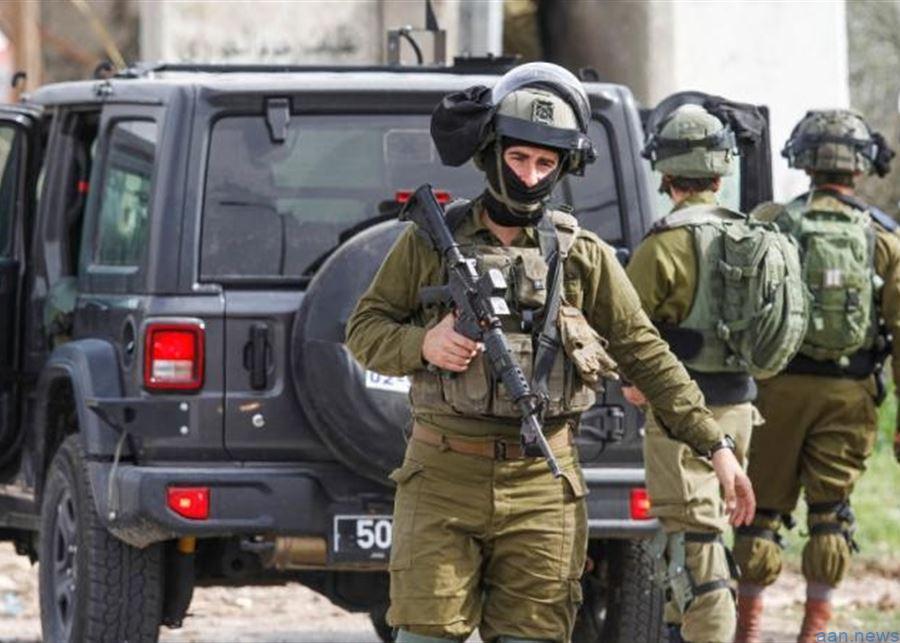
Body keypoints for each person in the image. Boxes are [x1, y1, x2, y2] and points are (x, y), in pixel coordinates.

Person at [345, 62, 755, 643]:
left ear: (564, 166)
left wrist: (715, 445)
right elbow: (364, 328)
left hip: (543, 481)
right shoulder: (431, 241)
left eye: (545, 162)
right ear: (491, 153)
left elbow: (646, 353)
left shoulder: (582, 255)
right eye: (518, 158)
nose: (530, 176)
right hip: (441, 476)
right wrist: (423, 344)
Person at [624, 103, 805, 643]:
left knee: (697, 551)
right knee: (692, 544)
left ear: (665, 175)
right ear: (721, 175)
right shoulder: (752, 238)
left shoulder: (662, 246)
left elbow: (625, 330)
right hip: (740, 410)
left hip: (682, 417)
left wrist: (633, 380)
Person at [733, 109, 898, 643]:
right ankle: (813, 635)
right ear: (861, 165)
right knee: (831, 516)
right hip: (849, 395)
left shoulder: (773, 224)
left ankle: (746, 633)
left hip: (776, 392)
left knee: (760, 514)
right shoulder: (882, 237)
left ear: (802, 160)